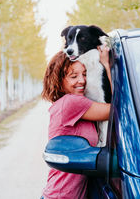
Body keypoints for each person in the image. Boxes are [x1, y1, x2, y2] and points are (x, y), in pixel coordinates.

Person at [41, 45, 111, 199]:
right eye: (74, 76)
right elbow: (117, 109)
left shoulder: (71, 103)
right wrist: (107, 65)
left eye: (84, 74)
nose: (82, 80)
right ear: (59, 80)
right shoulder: (71, 103)